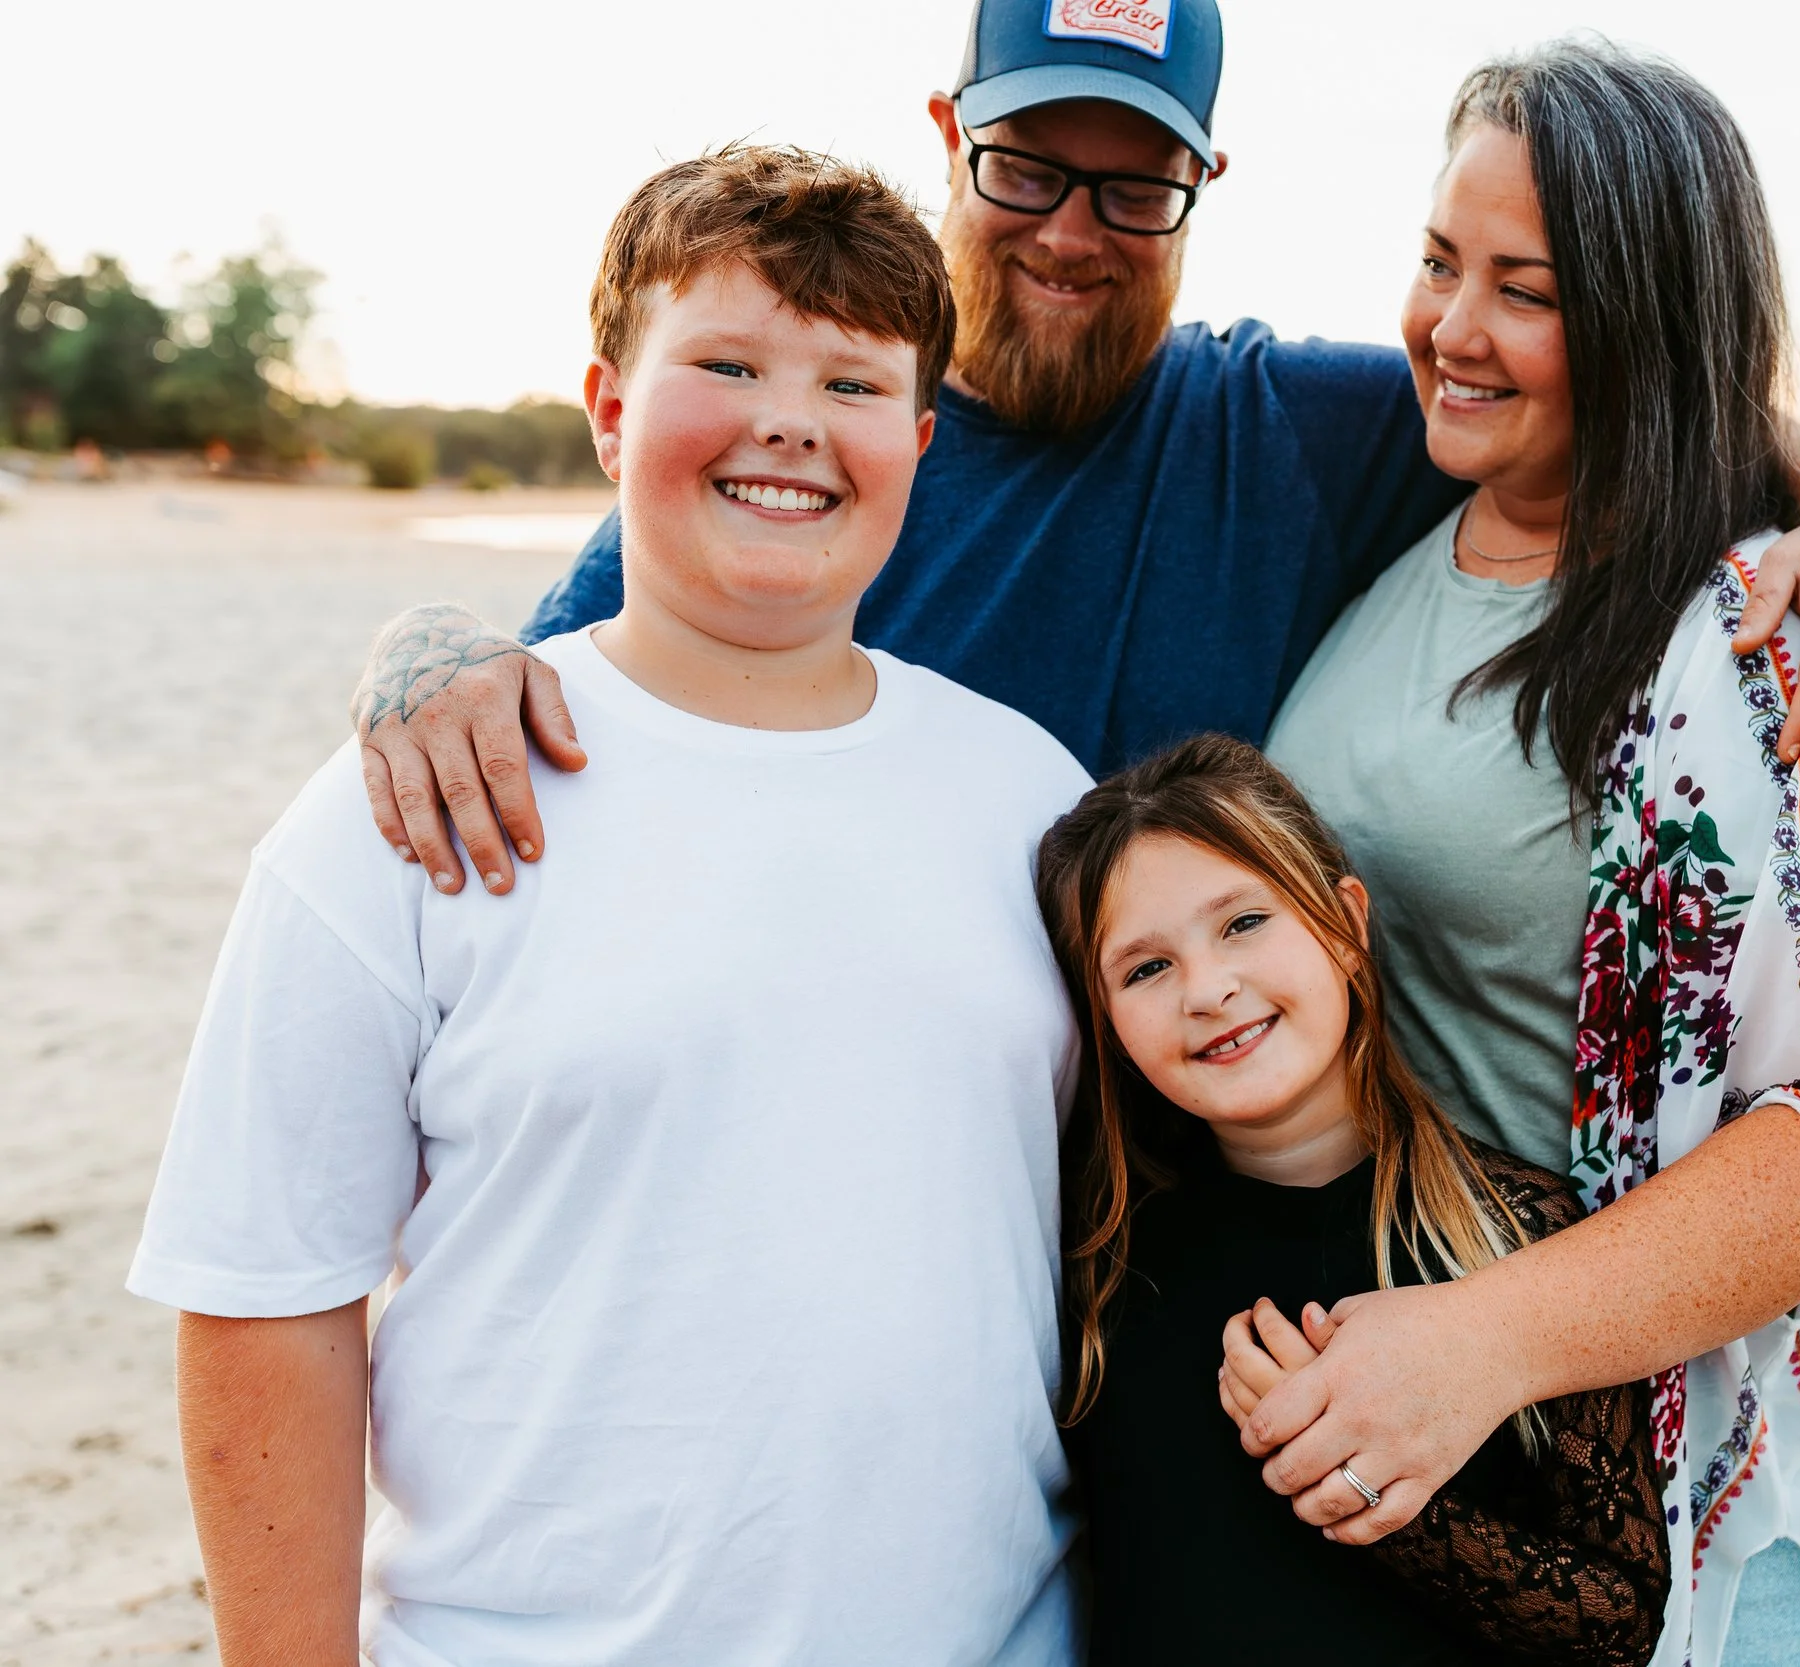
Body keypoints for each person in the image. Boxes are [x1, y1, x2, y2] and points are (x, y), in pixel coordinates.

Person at [127, 149, 1094, 1664]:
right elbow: (265, 1297)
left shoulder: (1032, 797)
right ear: (607, 407)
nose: (788, 418)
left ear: (919, 442)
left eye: (851, 384)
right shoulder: (414, 806)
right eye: (726, 361)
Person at [345, 0, 1800, 902]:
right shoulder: (822, 470)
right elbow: (557, 674)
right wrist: (425, 644)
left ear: (1203, 182)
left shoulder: (1293, 430)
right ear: (951, 134)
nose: (1074, 235)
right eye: (1030, 169)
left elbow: (1637, 378)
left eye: (1135, 188)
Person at [1230, 42, 1800, 1667]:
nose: (1451, 328)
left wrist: (1476, 1343)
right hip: (1457, 1433)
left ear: (1642, 324)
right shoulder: (1409, 510)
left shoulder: (1765, 637)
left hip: (1713, 1489)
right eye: (1440, 260)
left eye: (1524, 287)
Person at [1034, 734, 1667, 1666]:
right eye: (1144, 968)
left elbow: (1619, 1617)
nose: (1208, 988)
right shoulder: (1097, 1266)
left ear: (1342, 924)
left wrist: (1363, 1485)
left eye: (1243, 922)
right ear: (1105, 1020)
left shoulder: (1515, 1231)